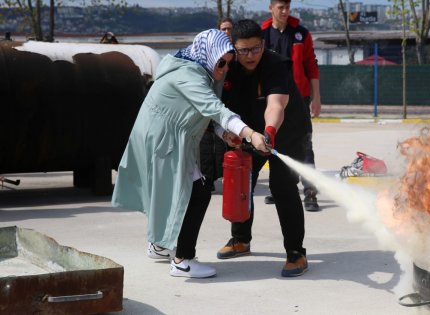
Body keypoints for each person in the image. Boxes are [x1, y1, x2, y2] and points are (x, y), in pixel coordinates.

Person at [111, 29, 269, 278]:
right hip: (165, 140)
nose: (225, 68)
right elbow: (213, 107)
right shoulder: (189, 75)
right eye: (221, 62)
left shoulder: (200, 71)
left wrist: (224, 133)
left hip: (167, 137)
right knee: (197, 192)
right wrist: (251, 134)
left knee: (170, 192)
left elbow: (207, 113)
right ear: (208, 55)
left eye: (229, 63)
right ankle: (183, 260)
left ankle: (159, 245)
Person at [216, 19, 309, 277]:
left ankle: (296, 253)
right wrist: (232, 134)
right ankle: (241, 240)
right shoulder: (228, 66)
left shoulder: (275, 64)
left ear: (263, 44)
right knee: (241, 180)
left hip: (287, 132)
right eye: (243, 50)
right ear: (234, 47)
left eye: (255, 49)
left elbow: (276, 105)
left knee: (282, 187)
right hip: (250, 132)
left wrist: (268, 133)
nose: (250, 56)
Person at [261, 0, 321, 212]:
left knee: (304, 144)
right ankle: (281, 189)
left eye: (287, 7)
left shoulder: (301, 34)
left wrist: (316, 97)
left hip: (300, 98)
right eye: (280, 7)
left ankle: (310, 191)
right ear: (271, 8)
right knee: (275, 143)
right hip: (272, 99)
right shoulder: (263, 34)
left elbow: (311, 66)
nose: (285, 11)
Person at [199, 17, 234, 193]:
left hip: (225, 104)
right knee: (205, 142)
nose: (227, 32)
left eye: (229, 29)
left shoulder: (233, 55)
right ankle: (208, 177)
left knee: (222, 142)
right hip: (209, 102)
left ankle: (223, 174)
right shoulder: (211, 52)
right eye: (224, 29)